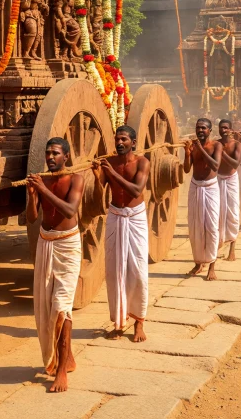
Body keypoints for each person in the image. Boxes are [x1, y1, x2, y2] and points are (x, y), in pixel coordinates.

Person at [24, 137, 85, 393]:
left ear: (66, 157)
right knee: (46, 307)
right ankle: (65, 357)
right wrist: (31, 195)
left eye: (55, 153)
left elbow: (70, 211)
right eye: (48, 153)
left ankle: (61, 371)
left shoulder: (76, 179)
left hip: (68, 245)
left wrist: (43, 189)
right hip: (45, 242)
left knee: (62, 306)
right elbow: (31, 218)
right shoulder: (41, 180)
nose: (50, 157)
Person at [100, 125, 150, 343]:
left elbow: (136, 190)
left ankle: (139, 321)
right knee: (114, 271)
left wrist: (110, 174)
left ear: (133, 142)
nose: (119, 143)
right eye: (117, 139)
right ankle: (119, 322)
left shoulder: (142, 162)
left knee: (138, 270)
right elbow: (98, 190)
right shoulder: (109, 163)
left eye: (124, 139)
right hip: (115, 215)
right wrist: (97, 174)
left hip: (135, 217)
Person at [184, 119, 223, 279]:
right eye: (198, 127)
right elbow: (187, 169)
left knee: (211, 227)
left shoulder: (216, 146)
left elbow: (215, 166)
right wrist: (187, 153)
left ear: (210, 130)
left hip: (210, 187)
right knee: (195, 227)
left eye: (203, 128)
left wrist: (200, 148)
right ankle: (198, 262)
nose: (200, 130)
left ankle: (212, 266)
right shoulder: (193, 147)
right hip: (195, 186)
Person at [215, 120, 241, 263]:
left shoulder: (236, 144)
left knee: (232, 213)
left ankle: (232, 247)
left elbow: (235, 163)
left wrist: (222, 153)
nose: (223, 130)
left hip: (231, 180)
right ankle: (218, 242)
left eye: (225, 128)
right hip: (217, 179)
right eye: (221, 128)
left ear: (230, 129)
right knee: (217, 212)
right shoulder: (216, 143)